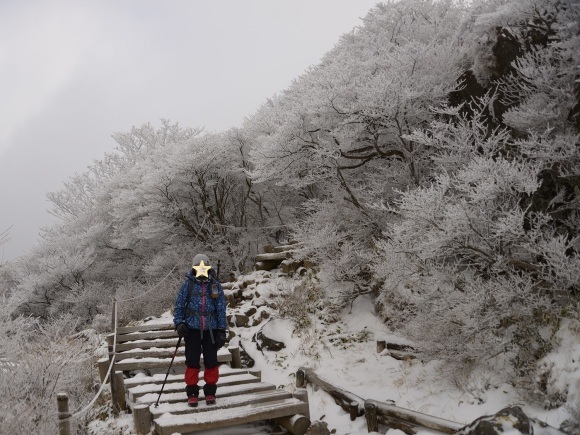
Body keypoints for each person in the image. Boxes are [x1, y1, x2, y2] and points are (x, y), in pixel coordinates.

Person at [173, 254, 227, 407]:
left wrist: (222, 330)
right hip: (192, 330)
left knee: (211, 361)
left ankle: (210, 391)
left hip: (212, 329)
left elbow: (221, 308)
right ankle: (192, 393)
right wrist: (179, 323)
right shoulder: (187, 285)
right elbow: (179, 307)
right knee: (192, 361)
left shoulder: (215, 286)